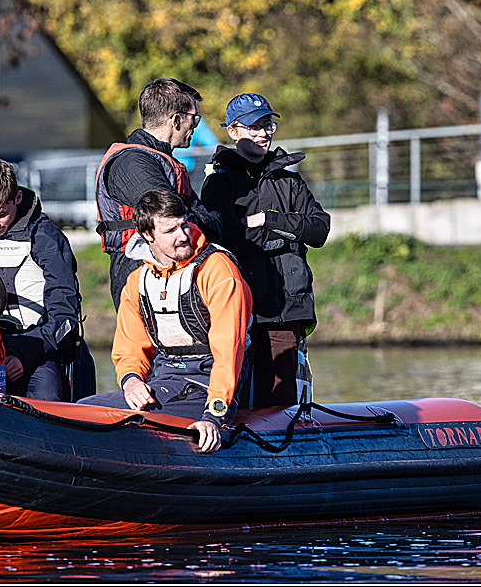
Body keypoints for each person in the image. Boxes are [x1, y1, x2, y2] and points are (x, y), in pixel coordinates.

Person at [79, 190, 252, 453]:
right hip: (165, 382)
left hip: (207, 387)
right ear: (148, 235)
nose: (183, 236)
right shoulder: (136, 282)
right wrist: (132, 381)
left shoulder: (218, 271)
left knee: (86, 412)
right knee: (81, 410)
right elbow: (129, 348)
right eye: (171, 230)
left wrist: (213, 417)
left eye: (184, 224)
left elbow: (229, 353)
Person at [200, 93, 330, 408]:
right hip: (239, 307)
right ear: (232, 131)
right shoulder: (218, 184)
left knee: (282, 401)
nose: (263, 133)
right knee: (237, 396)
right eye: (253, 126)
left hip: (287, 309)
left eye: (267, 124)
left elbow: (319, 229)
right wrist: (287, 234)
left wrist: (267, 221)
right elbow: (229, 239)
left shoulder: (290, 180)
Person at [0, 159, 85, 401]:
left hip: (36, 346)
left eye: (0, 214)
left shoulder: (45, 238)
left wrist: (26, 355)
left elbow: (64, 314)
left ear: (17, 198)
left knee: (48, 397)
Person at [94, 78, 221, 310]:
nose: (195, 127)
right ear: (176, 120)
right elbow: (171, 216)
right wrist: (205, 219)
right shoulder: (131, 162)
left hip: (171, 272)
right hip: (140, 273)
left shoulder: (163, 162)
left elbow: (203, 218)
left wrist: (206, 219)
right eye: (194, 119)